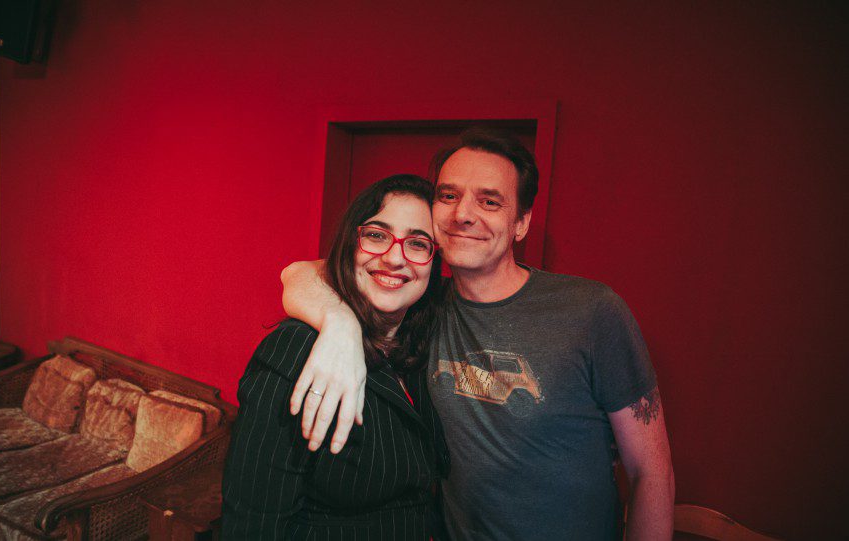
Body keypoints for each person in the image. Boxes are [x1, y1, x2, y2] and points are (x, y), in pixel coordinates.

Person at [281, 128, 675, 540]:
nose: (462, 214)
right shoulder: (419, 304)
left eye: (489, 201)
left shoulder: (591, 311)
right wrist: (341, 326)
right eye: (448, 196)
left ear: (521, 223)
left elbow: (651, 472)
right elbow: (298, 273)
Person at [221, 174, 449, 540]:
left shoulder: (424, 339)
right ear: (349, 245)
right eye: (376, 235)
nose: (394, 257)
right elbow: (253, 523)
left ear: (434, 262)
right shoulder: (296, 350)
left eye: (419, 243)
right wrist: (341, 322)